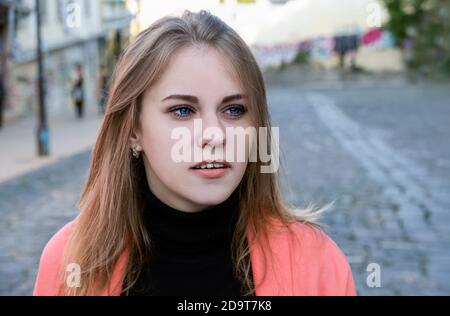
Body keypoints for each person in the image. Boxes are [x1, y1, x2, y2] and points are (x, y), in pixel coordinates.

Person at [33, 10, 356, 296]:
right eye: (183, 111)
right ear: (133, 130)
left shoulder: (316, 261)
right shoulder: (70, 261)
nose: (214, 135)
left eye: (233, 110)